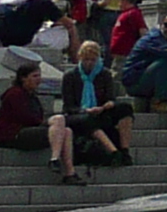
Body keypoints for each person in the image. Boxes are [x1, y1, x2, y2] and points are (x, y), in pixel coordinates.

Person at [49, 40, 133, 180]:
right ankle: (113, 151)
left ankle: (124, 150)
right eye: (86, 59)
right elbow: (69, 105)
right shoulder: (70, 76)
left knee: (125, 108)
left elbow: (111, 97)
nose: (89, 63)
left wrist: (106, 106)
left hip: (100, 110)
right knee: (88, 119)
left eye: (92, 60)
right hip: (78, 114)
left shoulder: (104, 74)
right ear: (80, 58)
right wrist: (85, 110)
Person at [0, 67, 49, 152]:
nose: (39, 79)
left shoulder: (32, 96)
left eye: (39, 76)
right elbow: (24, 116)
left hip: (28, 130)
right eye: (35, 76)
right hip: (12, 134)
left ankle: (59, 160)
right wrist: (46, 123)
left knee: (67, 131)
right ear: (23, 78)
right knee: (56, 130)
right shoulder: (14, 94)